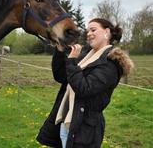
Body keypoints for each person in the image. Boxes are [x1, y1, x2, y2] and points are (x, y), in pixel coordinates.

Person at [37, 18, 134, 148]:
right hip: (67, 122)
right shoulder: (85, 55)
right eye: (88, 31)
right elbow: (61, 77)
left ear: (107, 32)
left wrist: (72, 61)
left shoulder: (110, 63)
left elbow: (84, 88)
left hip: (83, 129)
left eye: (93, 30)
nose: (89, 33)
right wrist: (60, 50)